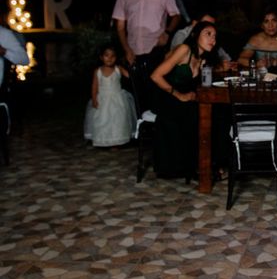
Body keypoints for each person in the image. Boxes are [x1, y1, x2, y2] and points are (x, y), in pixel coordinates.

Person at [150, 21, 218, 180]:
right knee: (195, 115)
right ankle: (191, 166)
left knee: (212, 115)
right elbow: (155, 76)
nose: (212, 40)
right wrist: (179, 95)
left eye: (214, 36)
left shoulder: (204, 59)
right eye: (208, 34)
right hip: (168, 98)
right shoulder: (184, 49)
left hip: (185, 100)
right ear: (195, 35)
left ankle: (204, 164)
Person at [112, 0, 181, 108]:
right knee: (136, 96)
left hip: (156, 51)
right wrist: (126, 49)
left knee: (156, 96)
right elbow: (120, 26)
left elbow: (176, 16)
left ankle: (156, 128)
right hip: (133, 52)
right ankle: (139, 129)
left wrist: (167, 33)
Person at [83, 44, 137, 148]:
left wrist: (130, 65)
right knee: (103, 120)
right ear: (101, 57)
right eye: (107, 55)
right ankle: (103, 140)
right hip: (103, 99)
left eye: (113, 56)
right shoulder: (98, 71)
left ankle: (115, 141)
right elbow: (94, 86)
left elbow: (130, 76)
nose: (110, 58)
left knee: (117, 120)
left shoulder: (118, 69)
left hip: (117, 99)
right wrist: (94, 99)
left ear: (116, 58)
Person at [171, 12, 235, 71]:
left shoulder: (209, 42)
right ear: (194, 23)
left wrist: (226, 64)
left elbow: (222, 55)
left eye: (212, 26)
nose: (211, 28)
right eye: (205, 24)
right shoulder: (182, 37)